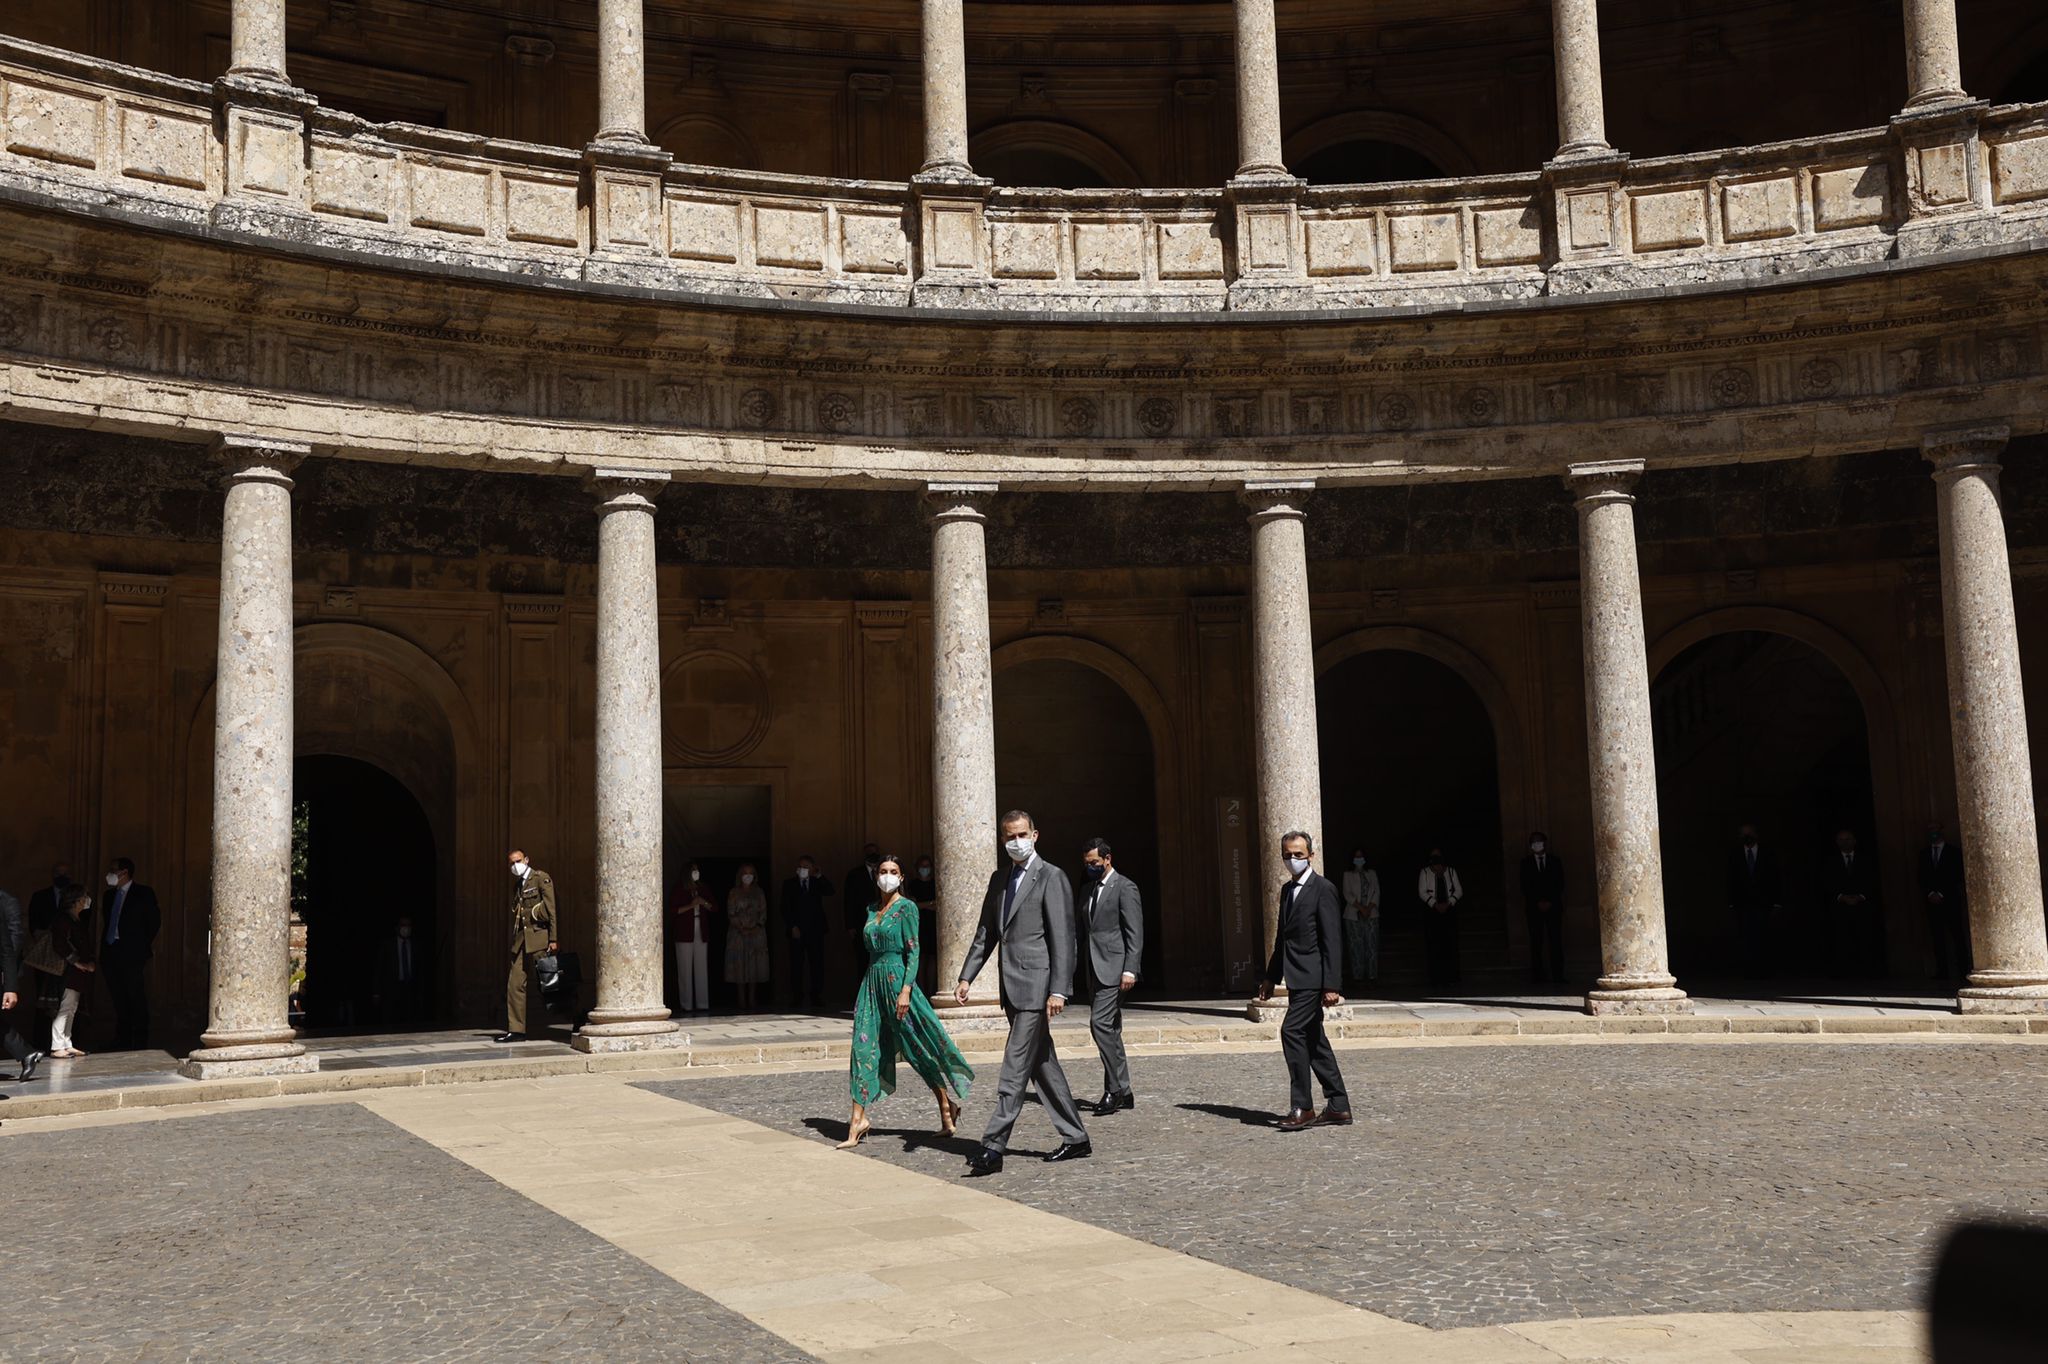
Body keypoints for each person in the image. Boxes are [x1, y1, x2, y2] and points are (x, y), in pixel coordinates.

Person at [956, 810, 1091, 1175]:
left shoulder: (1052, 877)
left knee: (1014, 1067)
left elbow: (1064, 938)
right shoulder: (1000, 878)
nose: (1015, 841)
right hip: (1010, 988)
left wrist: (1060, 989)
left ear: (1035, 834)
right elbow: (987, 932)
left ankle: (993, 1146)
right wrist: (967, 975)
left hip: (1037, 987)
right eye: (1008, 836)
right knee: (1042, 1066)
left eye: (1021, 834)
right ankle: (1077, 1137)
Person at [838, 855, 973, 1149]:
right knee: (863, 1047)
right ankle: (857, 1119)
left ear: (901, 878)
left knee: (916, 1047)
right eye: (883, 871)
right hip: (871, 983)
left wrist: (906, 990)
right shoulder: (871, 908)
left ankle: (946, 1105)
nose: (887, 875)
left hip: (897, 981)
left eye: (894, 872)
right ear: (876, 876)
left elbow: (913, 951)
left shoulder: (907, 908)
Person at [1256, 832, 1349, 1131]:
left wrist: (1332, 985)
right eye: (1287, 854)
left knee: (1291, 1031)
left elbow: (1332, 940)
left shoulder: (1323, 889)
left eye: (1298, 854)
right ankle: (1338, 1105)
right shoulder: (1286, 891)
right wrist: (1271, 977)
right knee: (1313, 1040)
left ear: (1311, 855)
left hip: (1314, 977)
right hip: (1294, 977)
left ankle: (1303, 1107)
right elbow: (1282, 938)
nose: (1292, 860)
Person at [1076, 837, 1144, 1117]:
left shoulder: (1125, 887)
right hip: (1095, 968)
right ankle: (1125, 1091)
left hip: (1116, 969)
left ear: (1107, 859)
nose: (1091, 867)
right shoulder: (1088, 890)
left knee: (1099, 1024)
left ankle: (1114, 1090)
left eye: (1094, 862)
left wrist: (1131, 968)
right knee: (1111, 1029)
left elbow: (1134, 931)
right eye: (1087, 863)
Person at [495, 849, 556, 1043]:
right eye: (511, 863)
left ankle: (575, 1015)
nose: (515, 866)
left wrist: (553, 939)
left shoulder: (541, 878)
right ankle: (516, 1030)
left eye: (518, 861)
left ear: (527, 860)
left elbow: (551, 909)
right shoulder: (518, 886)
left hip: (539, 938)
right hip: (521, 940)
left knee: (550, 983)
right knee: (515, 984)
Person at [99, 857, 160, 1050]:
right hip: (111, 952)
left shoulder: (144, 893)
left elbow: (153, 922)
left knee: (136, 996)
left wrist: (139, 945)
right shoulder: (108, 896)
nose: (109, 874)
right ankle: (122, 1039)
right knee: (118, 997)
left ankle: (140, 1040)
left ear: (124, 872)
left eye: (113, 870)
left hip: (133, 954)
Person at [0, 885, 45, 1083]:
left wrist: (10, 985)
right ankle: (27, 1052)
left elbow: (9, 946)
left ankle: (26, 1052)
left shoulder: (6, 900)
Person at [1825, 829, 1884, 977]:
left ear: (1854, 841)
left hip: (1863, 906)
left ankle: (1866, 971)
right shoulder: (1830, 861)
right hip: (1840, 907)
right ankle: (1845, 972)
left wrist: (1860, 896)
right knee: (1842, 940)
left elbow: (1873, 880)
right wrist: (1841, 897)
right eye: (1841, 839)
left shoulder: (1866, 859)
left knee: (1865, 939)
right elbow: (1826, 882)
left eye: (1848, 839)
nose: (1845, 842)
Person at [1726, 823, 1782, 978]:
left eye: (1749, 834)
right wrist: (1731, 903)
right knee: (1745, 937)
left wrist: (1777, 902)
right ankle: (1747, 970)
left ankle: (1764, 969)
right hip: (1742, 904)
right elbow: (1731, 879)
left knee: (1763, 936)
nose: (1747, 837)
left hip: (1764, 903)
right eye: (1744, 834)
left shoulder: (1768, 854)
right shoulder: (1735, 855)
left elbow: (1776, 878)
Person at [46, 885, 96, 1058]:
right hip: (67, 971)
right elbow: (59, 944)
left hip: (76, 972)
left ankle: (67, 1042)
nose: (87, 900)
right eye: (84, 897)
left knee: (72, 1007)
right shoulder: (64, 920)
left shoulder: (75, 919)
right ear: (76, 900)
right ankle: (57, 1045)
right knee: (65, 1006)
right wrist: (77, 963)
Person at [781, 855, 834, 1008]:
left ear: (812, 868)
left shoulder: (817, 882)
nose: (802, 869)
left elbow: (831, 891)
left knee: (817, 963)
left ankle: (816, 995)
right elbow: (785, 907)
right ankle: (797, 996)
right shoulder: (789, 884)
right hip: (797, 930)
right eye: (800, 866)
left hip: (815, 930)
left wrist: (819, 875)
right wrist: (792, 926)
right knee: (796, 964)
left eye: (806, 867)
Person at [1918, 821, 1969, 981]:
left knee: (1957, 936)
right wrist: (1930, 893)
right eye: (1930, 830)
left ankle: (1963, 970)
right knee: (1937, 937)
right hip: (1931, 901)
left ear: (1941, 831)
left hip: (1950, 900)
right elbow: (1921, 877)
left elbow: (1957, 875)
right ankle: (1942, 971)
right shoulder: (1924, 854)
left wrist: (1941, 893)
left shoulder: (1954, 852)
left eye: (1935, 829)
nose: (1933, 832)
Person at [1519, 832, 1566, 985]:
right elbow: (1525, 886)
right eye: (1533, 842)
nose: (1536, 844)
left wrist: (1550, 901)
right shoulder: (1525, 863)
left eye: (1539, 842)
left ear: (1545, 843)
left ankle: (1558, 975)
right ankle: (1538, 976)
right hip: (1534, 908)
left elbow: (1560, 883)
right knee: (1536, 942)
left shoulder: (1555, 861)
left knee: (1555, 941)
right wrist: (1537, 902)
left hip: (1553, 907)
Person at [725, 863, 770, 1010]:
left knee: (754, 966)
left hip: (756, 934)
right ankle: (741, 999)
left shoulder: (759, 892)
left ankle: (752, 998)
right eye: (745, 873)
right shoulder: (734, 892)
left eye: (751, 873)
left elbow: (763, 912)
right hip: (738, 934)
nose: (748, 876)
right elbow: (731, 913)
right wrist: (741, 927)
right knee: (740, 966)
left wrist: (755, 927)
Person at [1417, 847, 1464, 988]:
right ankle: (1436, 977)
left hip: (1448, 910)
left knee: (1449, 943)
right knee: (1434, 944)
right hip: (1432, 912)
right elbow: (1422, 891)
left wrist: (1450, 902)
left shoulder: (1450, 871)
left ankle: (1451, 976)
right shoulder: (1425, 872)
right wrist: (1434, 903)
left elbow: (1459, 890)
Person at [671, 862, 715, 1013]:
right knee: (685, 968)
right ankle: (686, 1004)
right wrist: (691, 905)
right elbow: (673, 910)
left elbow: (714, 907)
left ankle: (703, 1003)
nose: (696, 872)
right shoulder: (679, 889)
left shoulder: (703, 888)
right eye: (693, 870)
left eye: (697, 870)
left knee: (701, 966)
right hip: (684, 931)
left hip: (701, 929)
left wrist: (702, 902)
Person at [844, 842, 882, 990]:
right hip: (862, 922)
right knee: (862, 960)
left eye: (875, 853)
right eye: (869, 853)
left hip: (882, 922)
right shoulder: (854, 874)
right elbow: (848, 901)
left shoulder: (884, 872)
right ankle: (864, 993)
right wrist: (850, 925)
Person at [373, 914, 424, 1025]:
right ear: (397, 927)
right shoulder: (387, 945)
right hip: (392, 988)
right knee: (390, 1020)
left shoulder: (415, 945)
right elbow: (380, 969)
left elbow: (420, 970)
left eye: (408, 925)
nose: (406, 928)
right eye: (403, 925)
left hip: (409, 988)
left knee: (409, 1020)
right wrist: (376, 992)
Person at [1340, 848, 1379, 987]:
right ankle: (1358, 976)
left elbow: (1376, 891)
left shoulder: (1371, 873)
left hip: (1371, 913)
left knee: (1371, 945)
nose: (1359, 859)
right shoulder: (1348, 874)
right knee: (1356, 946)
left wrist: (1369, 907)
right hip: (1353, 914)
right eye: (1356, 857)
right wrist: (1361, 907)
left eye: (1361, 856)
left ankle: (1372, 976)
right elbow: (1347, 893)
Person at [907, 854, 938, 995]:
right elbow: (911, 904)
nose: (924, 869)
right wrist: (929, 904)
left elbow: (939, 904)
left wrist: (923, 905)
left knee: (932, 959)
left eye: (927, 866)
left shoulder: (936, 883)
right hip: (918, 923)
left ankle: (931, 991)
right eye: (922, 866)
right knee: (919, 958)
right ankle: (920, 992)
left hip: (933, 924)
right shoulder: (912, 885)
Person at [27, 862, 72, 934]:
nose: (61, 876)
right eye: (58, 873)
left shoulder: (78, 897)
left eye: (65, 874)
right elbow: (33, 923)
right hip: (45, 941)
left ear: (70, 876)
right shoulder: (39, 897)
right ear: (52, 875)